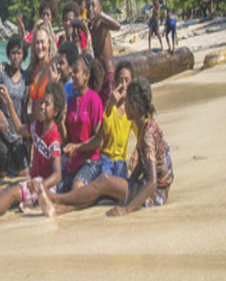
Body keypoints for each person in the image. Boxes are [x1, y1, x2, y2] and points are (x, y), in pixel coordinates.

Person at [38, 77, 174, 218]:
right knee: (102, 194)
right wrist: (129, 182)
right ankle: (57, 209)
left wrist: (126, 209)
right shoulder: (145, 125)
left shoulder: (147, 134)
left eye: (126, 101)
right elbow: (142, 164)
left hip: (156, 194)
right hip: (148, 187)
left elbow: (152, 182)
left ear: (134, 105)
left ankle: (56, 198)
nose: (124, 104)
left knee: (104, 181)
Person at [0, 81, 66, 228]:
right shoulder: (38, 126)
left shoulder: (54, 137)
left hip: (45, 184)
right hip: (35, 181)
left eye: (47, 104)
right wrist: (8, 101)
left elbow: (58, 174)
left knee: (10, 194)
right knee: (0, 193)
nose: (41, 107)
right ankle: (31, 204)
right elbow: (19, 128)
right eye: (42, 103)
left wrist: (41, 185)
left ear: (56, 111)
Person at [58, 53, 104, 192]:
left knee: (76, 187)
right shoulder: (71, 103)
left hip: (91, 161)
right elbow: (67, 142)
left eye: (76, 71)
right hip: (73, 162)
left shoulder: (94, 100)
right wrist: (61, 122)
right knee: (57, 189)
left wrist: (76, 148)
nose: (72, 74)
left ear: (86, 75)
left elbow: (98, 142)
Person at [0, 34, 31, 179]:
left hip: (18, 134)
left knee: (24, 174)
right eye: (13, 53)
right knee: (3, 176)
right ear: (8, 54)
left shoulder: (26, 79)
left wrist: (28, 137)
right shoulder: (2, 75)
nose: (16, 57)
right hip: (2, 132)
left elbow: (26, 107)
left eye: (19, 53)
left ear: (23, 56)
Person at [97, 61, 134, 178]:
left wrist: (137, 153)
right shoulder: (110, 106)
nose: (123, 85)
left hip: (121, 161)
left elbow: (143, 129)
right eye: (120, 80)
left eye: (126, 80)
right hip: (106, 160)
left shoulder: (132, 109)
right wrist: (109, 106)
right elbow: (103, 131)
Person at [86, 0, 121, 109]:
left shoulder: (103, 24)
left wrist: (101, 15)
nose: (90, 9)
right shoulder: (90, 26)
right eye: (88, 6)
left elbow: (118, 26)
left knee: (109, 108)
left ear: (99, 8)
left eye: (93, 5)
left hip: (109, 73)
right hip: (99, 75)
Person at [26, 19, 58, 124]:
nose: (39, 47)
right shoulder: (33, 68)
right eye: (36, 43)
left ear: (49, 42)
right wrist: (4, 66)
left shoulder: (54, 68)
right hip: (33, 129)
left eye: (42, 42)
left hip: (47, 129)